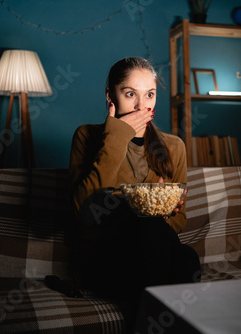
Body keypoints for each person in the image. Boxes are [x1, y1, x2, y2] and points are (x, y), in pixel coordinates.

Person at [68, 57, 201, 327]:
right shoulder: (86, 136)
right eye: (130, 94)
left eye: (149, 95)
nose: (142, 106)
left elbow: (179, 219)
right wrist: (117, 135)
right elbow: (81, 212)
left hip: (152, 255)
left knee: (186, 257)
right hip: (104, 260)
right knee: (144, 224)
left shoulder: (174, 146)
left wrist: (164, 211)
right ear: (110, 96)